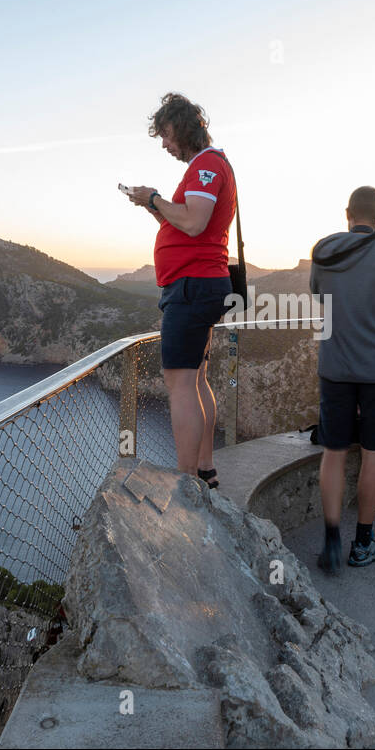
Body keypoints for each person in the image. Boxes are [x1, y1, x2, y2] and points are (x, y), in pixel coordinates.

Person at [126, 93, 236, 487]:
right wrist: (153, 207)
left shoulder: (206, 165)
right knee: (197, 378)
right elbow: (184, 221)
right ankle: (205, 469)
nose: (164, 144)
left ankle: (187, 481)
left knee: (179, 383)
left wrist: (155, 197)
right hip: (200, 285)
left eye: (167, 134)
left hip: (192, 287)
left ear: (185, 128)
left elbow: (193, 223)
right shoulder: (206, 166)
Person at [310, 186, 375, 573]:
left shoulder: (323, 250)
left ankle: (332, 541)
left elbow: (318, 294)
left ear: (347, 214)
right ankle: (363, 544)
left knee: (334, 452)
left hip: (335, 367)